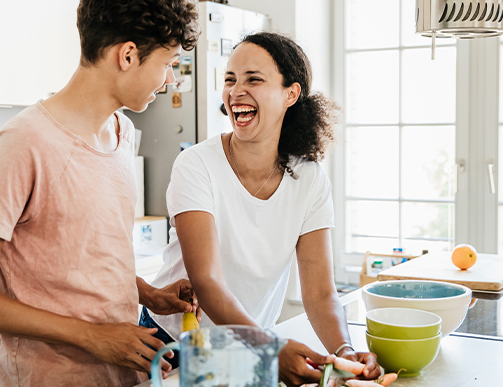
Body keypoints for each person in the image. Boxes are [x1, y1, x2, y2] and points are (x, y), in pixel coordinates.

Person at [0, 0, 200, 385]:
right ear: (127, 56)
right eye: (167, 65)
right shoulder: (25, 144)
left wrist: (145, 292)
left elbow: (76, 259)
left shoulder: (121, 133)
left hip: (123, 375)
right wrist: (93, 337)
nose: (169, 81)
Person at [140, 32, 382, 386]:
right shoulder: (196, 165)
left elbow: (320, 293)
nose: (236, 91)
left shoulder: (310, 179)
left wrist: (344, 351)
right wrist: (268, 346)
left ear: (291, 94)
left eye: (253, 79)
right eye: (230, 79)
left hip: (249, 346)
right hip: (174, 345)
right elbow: (207, 282)